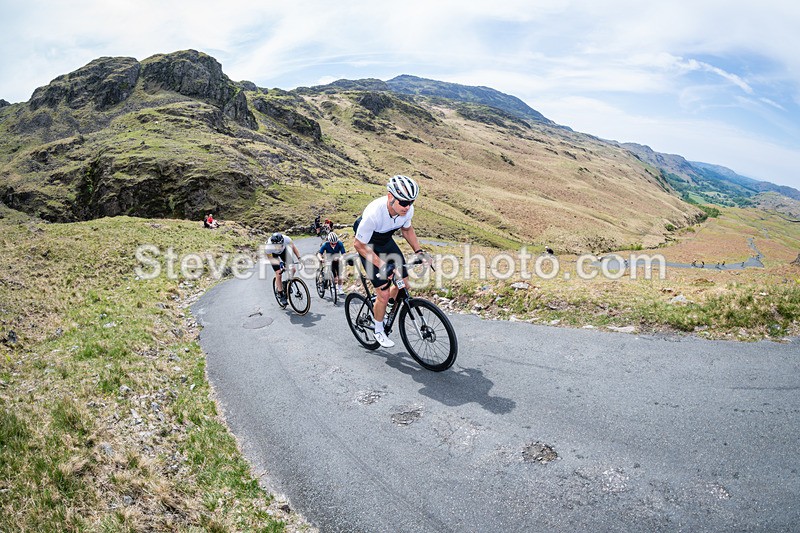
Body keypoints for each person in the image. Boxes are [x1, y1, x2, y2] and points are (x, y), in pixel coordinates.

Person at [353, 174, 429, 348]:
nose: (407, 207)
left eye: (411, 202)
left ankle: (384, 309)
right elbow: (358, 245)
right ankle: (378, 329)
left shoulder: (407, 210)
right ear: (390, 197)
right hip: (368, 245)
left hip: (385, 241)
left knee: (404, 284)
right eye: (403, 202)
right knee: (384, 293)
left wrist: (418, 251)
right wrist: (383, 266)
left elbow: (407, 230)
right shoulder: (374, 214)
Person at [266, 232, 303, 306]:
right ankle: (280, 294)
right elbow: (270, 258)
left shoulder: (287, 239)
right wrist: (279, 264)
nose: (279, 246)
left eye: (280, 244)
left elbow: (293, 248)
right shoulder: (268, 247)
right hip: (273, 255)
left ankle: (287, 283)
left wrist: (299, 258)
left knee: (293, 269)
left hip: (283, 252)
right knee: (278, 273)